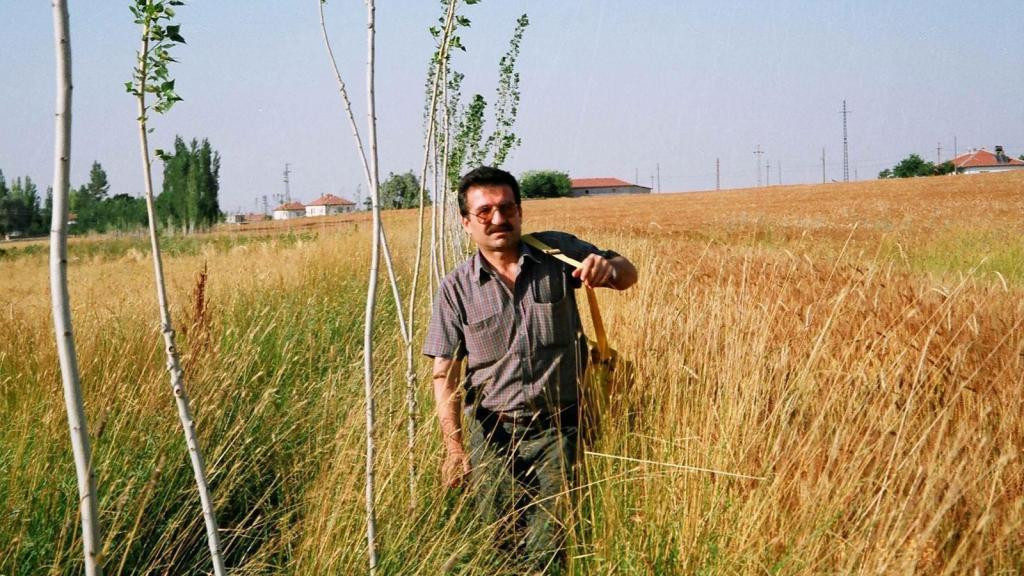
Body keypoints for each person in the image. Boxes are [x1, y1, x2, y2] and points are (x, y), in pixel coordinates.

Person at [423, 166, 638, 571]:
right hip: (493, 435)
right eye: (484, 212)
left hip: (561, 429)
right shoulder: (456, 288)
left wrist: (607, 269)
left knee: (551, 546)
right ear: (466, 223)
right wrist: (454, 448)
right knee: (501, 542)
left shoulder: (555, 255)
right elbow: (445, 374)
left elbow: (627, 275)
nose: (498, 219)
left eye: (506, 208)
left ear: (520, 212)